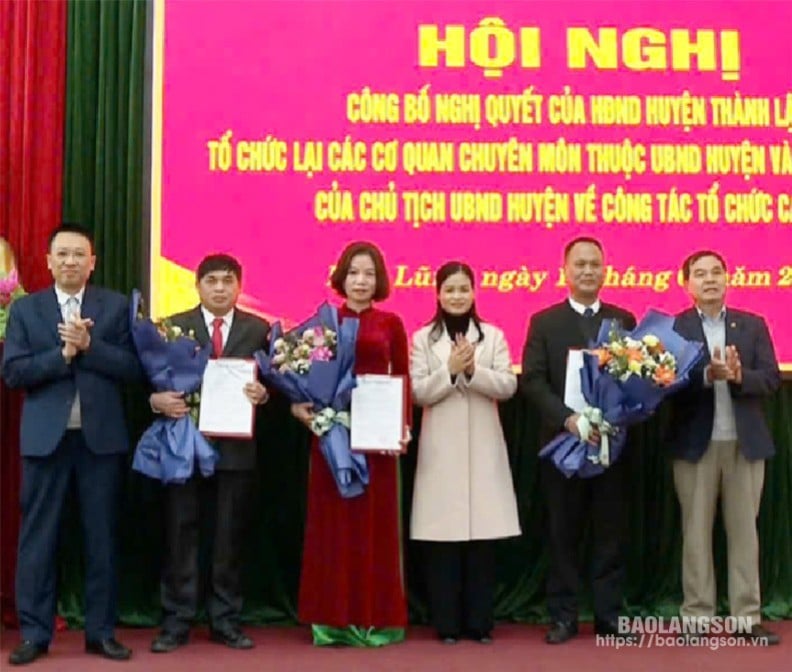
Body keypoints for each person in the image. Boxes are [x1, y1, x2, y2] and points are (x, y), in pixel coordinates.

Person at [2, 223, 141, 665]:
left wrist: (89, 346)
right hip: (45, 442)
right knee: (38, 540)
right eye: (62, 254)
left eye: (79, 254)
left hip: (101, 443)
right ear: (47, 261)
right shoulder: (27, 311)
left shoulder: (116, 307)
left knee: (102, 538)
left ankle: (101, 633)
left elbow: (135, 369)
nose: (70, 262)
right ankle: (35, 634)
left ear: (93, 262)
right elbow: (14, 372)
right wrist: (61, 357)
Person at [148, 254, 270, 652]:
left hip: (235, 450)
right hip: (185, 448)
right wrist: (157, 400)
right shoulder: (174, 326)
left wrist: (263, 394)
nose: (220, 288)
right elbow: (148, 377)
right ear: (197, 285)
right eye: (212, 280)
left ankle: (225, 619)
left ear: (240, 286)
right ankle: (177, 619)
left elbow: (277, 384)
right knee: (180, 533)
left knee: (228, 539)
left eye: (228, 281)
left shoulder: (259, 329)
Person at [291, 241, 410, 646]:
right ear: (342, 276)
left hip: (378, 441)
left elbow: (403, 379)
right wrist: (299, 407)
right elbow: (301, 376)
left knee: (375, 528)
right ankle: (333, 620)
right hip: (332, 439)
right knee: (334, 528)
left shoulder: (391, 324)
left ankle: (377, 617)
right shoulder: (321, 323)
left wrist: (403, 425)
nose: (361, 281)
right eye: (354, 273)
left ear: (379, 280)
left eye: (369, 274)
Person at [521, 237, 637, 644]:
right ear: (565, 271)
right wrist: (567, 419)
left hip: (611, 446)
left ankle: (609, 616)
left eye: (594, 264)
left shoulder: (623, 320)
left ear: (606, 270)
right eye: (580, 264)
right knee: (562, 533)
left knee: (610, 533)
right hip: (563, 447)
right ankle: (564, 616)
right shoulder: (545, 321)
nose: (587, 271)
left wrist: (619, 413)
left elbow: (635, 380)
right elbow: (532, 380)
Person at [667, 250, 781, 645]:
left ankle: (746, 617)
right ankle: (697, 617)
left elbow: (770, 379)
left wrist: (737, 375)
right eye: (700, 274)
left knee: (745, 533)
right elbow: (664, 386)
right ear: (687, 284)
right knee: (695, 534)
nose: (710, 279)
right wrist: (703, 376)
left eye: (717, 272)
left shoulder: (751, 325)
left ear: (728, 278)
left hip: (744, 444)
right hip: (695, 444)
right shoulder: (675, 328)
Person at [409, 261, 520, 644]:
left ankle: (480, 624)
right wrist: (450, 370)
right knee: (444, 544)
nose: (457, 296)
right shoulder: (422, 338)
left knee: (481, 544)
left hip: (484, 449)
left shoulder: (493, 335)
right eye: (449, 289)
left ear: (474, 292)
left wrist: (472, 373)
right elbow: (418, 392)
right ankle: (447, 626)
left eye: (463, 289)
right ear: (438, 294)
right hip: (440, 451)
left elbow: (507, 386)